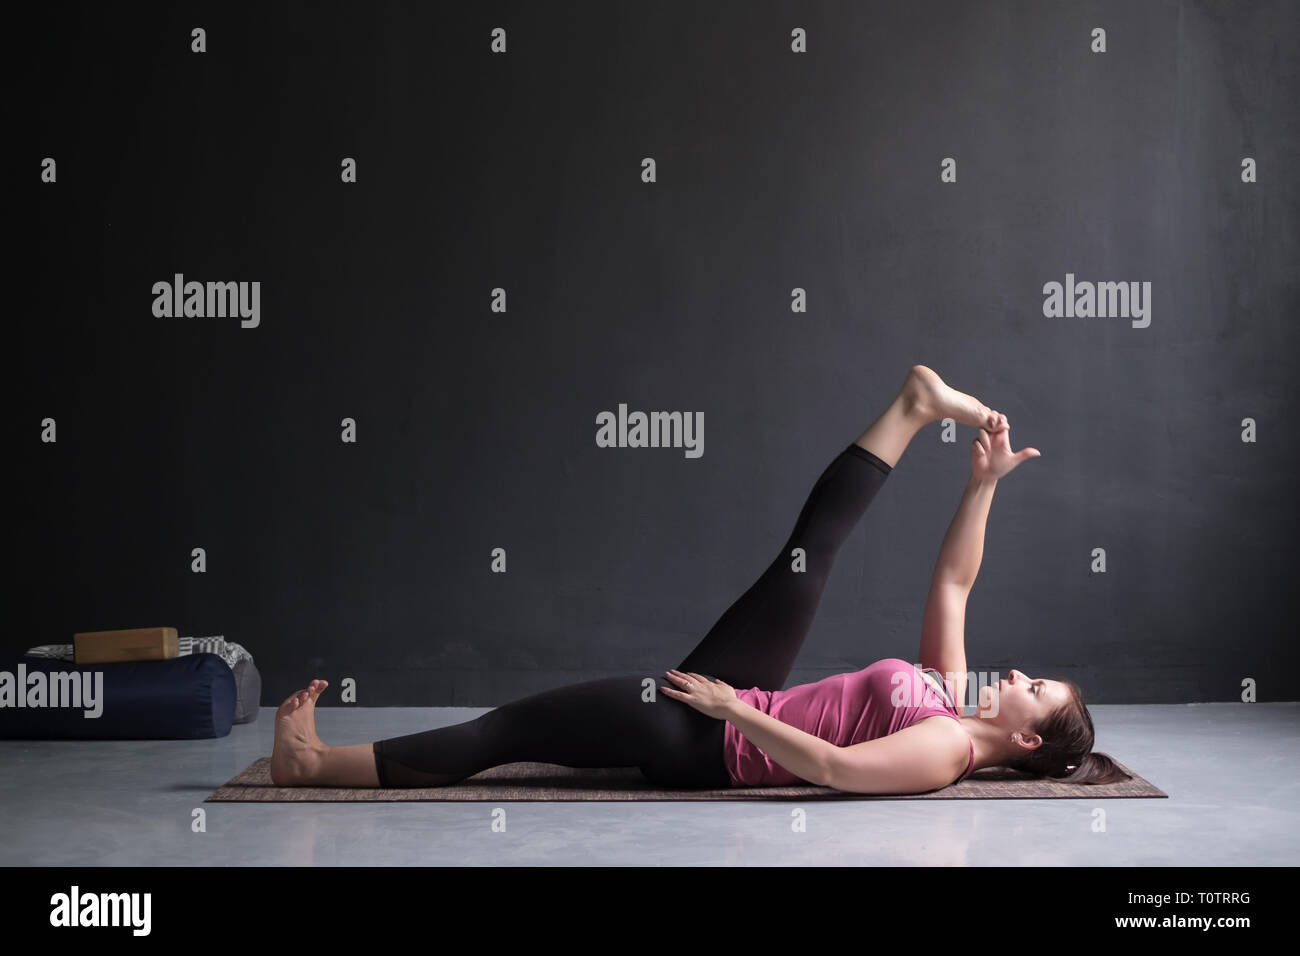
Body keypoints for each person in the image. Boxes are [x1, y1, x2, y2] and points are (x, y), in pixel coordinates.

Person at [269, 365, 1131, 793]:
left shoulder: (944, 750)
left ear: (1025, 740)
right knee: (808, 558)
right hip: (745, 698)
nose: (1016, 675)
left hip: (709, 738)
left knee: (511, 731)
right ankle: (912, 405)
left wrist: (729, 710)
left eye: (1035, 688)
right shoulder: (947, 694)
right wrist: (982, 485)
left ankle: (313, 766)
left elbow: (831, 767)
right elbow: (952, 586)